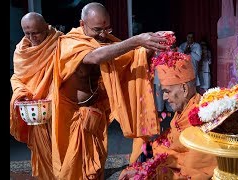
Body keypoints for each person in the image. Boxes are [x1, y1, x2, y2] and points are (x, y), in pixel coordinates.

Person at [51, 2, 170, 179]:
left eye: (107, 29)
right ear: (82, 24)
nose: (103, 34)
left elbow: (130, 59)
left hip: (96, 114)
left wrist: (151, 45)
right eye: (98, 29)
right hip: (72, 116)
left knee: (96, 165)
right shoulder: (70, 43)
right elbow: (95, 56)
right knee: (73, 169)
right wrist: (137, 40)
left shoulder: (107, 42)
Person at [119, 55, 217, 179]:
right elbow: (169, 149)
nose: (164, 97)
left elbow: (193, 173)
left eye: (167, 91)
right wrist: (143, 170)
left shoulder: (202, 120)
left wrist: (152, 175)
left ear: (184, 89)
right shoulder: (183, 112)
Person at [10, 12, 63, 179]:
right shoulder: (21, 51)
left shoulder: (59, 43)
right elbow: (17, 77)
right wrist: (21, 92)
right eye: (27, 33)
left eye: (36, 32)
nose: (32, 37)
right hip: (34, 108)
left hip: (58, 105)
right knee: (42, 150)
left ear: (46, 27)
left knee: (62, 147)